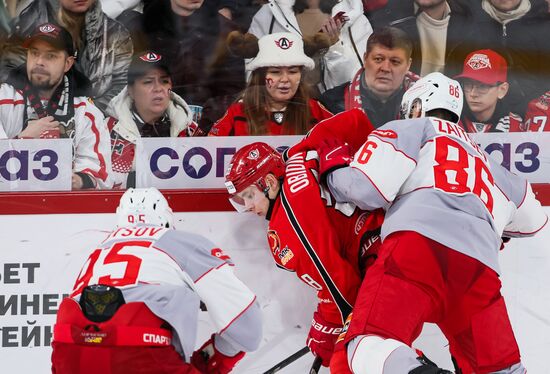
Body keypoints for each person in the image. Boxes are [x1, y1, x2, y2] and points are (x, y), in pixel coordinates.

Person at [312, 72, 548, 373]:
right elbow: (534, 221)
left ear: (415, 105)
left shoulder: (410, 127)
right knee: (500, 368)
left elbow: (366, 188)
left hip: (417, 249)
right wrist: (488, 219)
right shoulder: (486, 158)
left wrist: (332, 168)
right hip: (480, 267)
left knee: (368, 345)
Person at [224, 123, 385, 367]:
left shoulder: (288, 225)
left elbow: (341, 287)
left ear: (269, 182)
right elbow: (355, 119)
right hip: (386, 233)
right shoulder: (294, 156)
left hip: (379, 255)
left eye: (248, 196)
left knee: (351, 359)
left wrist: (329, 330)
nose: (247, 206)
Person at [51, 187, 262, 373]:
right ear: (167, 218)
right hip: (141, 352)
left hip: (70, 355)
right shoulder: (180, 242)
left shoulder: (98, 251)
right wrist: (212, 360)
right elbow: (246, 324)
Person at [0, 22, 112, 190]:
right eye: (34, 53)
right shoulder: (3, 100)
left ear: (68, 63)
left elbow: (102, 175)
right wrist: (21, 142)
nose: (39, 62)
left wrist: (78, 180)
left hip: (65, 211)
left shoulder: (86, 111)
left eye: (50, 56)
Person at [0, 0, 133, 111]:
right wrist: (42, 111)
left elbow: (125, 85)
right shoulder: (27, 26)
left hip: (97, 125)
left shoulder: (116, 33)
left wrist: (86, 114)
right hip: (33, 123)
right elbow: (9, 77)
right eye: (35, 53)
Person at [208, 32, 333, 136]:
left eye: (293, 71)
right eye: (275, 72)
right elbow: (211, 152)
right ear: (261, 76)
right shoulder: (238, 113)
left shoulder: (316, 112)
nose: (285, 79)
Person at [106, 51, 198, 189]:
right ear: (130, 90)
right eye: (148, 82)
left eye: (164, 81)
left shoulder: (191, 130)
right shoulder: (106, 130)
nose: (158, 88)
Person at [445, 0, 550, 116]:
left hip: (530, 118)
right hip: (474, 119)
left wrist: (524, 109)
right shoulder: (464, 18)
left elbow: (546, 82)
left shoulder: (543, 22)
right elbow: (453, 75)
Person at [247, 0, 373, 93]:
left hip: (335, 113)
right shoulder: (267, 16)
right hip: (285, 113)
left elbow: (358, 87)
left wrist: (334, 48)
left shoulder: (354, 17)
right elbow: (252, 81)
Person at [319, 27, 416, 128]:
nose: (386, 68)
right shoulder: (331, 105)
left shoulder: (426, 101)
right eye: (378, 59)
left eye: (395, 62)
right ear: (365, 59)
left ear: (408, 65)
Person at [455, 49, 523, 132]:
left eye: (482, 86)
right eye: (468, 85)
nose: (473, 94)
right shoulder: (450, 119)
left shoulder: (513, 126)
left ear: (502, 90)